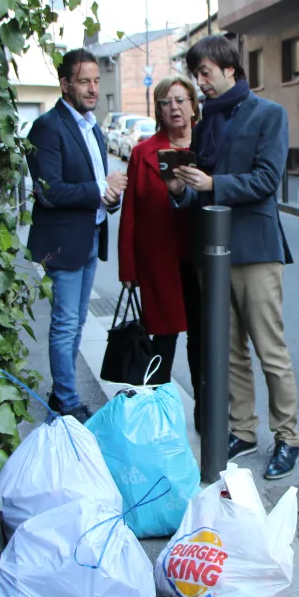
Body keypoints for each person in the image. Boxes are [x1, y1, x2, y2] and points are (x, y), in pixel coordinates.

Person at [166, 36, 299, 480]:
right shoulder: (207, 124)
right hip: (213, 251)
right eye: (196, 75)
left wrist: (210, 185)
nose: (200, 82)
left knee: (270, 350)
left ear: (230, 69)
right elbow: (200, 192)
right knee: (228, 353)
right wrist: (183, 189)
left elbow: (266, 181)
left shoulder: (270, 115)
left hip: (256, 250)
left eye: (205, 72)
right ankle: (243, 430)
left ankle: (288, 437)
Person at [25, 48, 127, 423]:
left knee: (77, 323)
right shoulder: (48, 127)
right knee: (66, 324)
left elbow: (99, 190)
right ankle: (66, 400)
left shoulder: (92, 128)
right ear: (64, 84)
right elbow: (48, 191)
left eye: (96, 81)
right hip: (63, 244)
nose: (92, 88)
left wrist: (111, 197)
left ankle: (62, 392)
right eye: (84, 81)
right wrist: (102, 187)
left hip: (87, 239)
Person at [118, 75, 203, 428]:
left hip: (200, 258)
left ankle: (205, 409)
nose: (174, 108)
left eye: (181, 100)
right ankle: (156, 413)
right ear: (158, 110)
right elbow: (130, 215)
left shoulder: (209, 147)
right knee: (163, 337)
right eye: (166, 102)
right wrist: (128, 270)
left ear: (194, 106)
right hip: (160, 260)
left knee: (201, 338)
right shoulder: (143, 153)